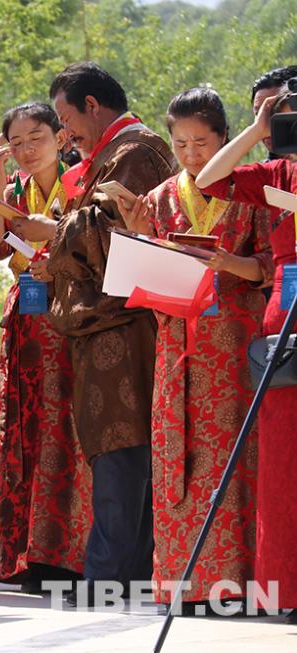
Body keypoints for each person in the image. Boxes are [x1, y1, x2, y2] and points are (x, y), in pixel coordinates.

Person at [10, 62, 178, 606]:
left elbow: (110, 231)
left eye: (65, 119)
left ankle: (106, 576)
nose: (65, 133)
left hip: (122, 325)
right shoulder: (117, 151)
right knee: (117, 450)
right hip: (105, 323)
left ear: (92, 105)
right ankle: (123, 573)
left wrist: (53, 231)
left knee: (120, 451)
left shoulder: (137, 150)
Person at [119, 88, 272, 607]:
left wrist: (228, 263)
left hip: (235, 349)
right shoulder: (161, 198)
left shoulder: (251, 193)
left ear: (225, 138)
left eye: (202, 143)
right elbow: (144, 279)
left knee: (236, 459)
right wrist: (140, 236)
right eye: (181, 144)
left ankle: (239, 581)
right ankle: (183, 584)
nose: (191, 154)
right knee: (177, 458)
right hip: (178, 347)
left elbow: (269, 266)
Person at [0, 103, 92, 593]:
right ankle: (26, 553)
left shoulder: (81, 185)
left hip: (69, 322)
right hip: (26, 323)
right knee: (23, 433)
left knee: (68, 434)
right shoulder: (13, 191)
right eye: (16, 142)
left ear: (60, 138)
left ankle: (68, 554)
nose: (26, 150)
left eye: (36, 137)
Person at [195, 91, 297, 623]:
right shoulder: (277, 172)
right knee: (283, 458)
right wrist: (259, 131)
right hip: (286, 313)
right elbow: (208, 180)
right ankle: (288, 587)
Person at [250, 66, 297, 161]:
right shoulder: (265, 170)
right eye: (259, 114)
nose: (266, 124)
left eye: (275, 112)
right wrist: (255, 130)